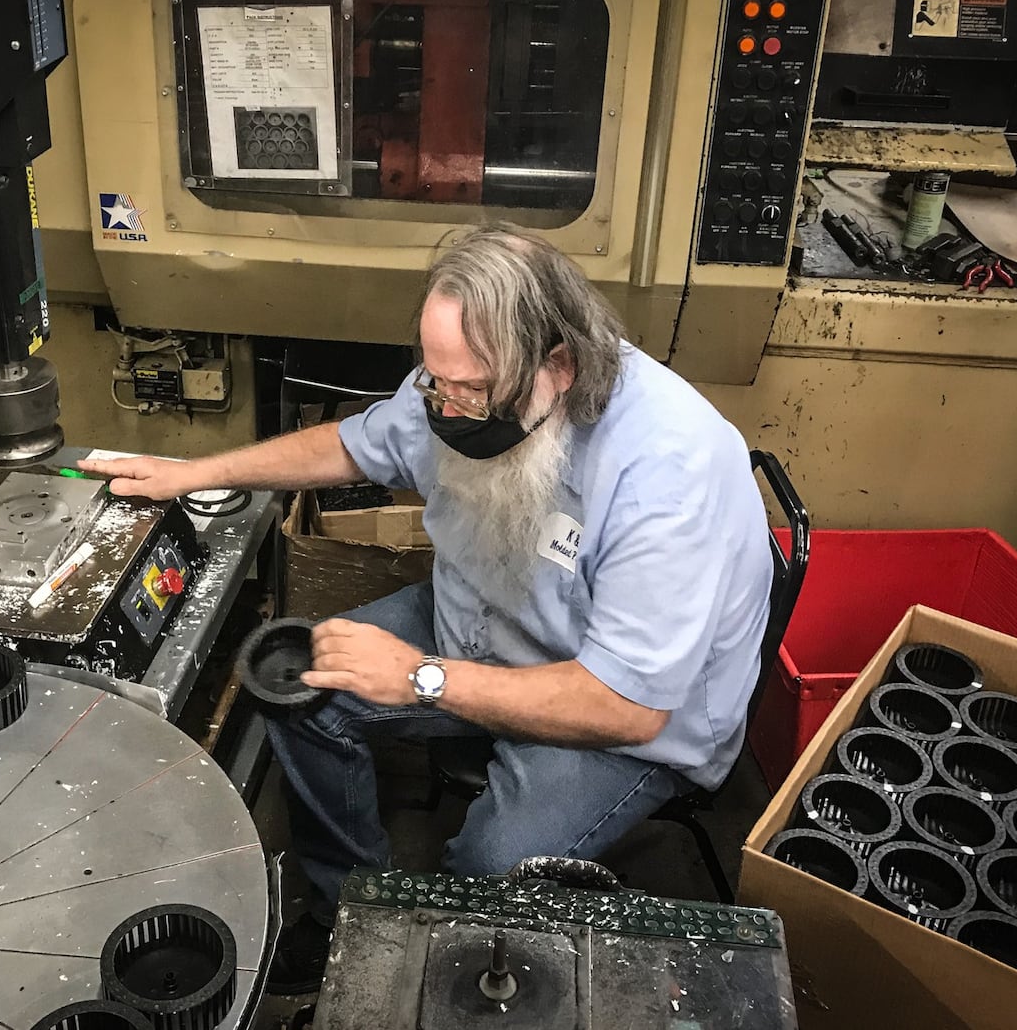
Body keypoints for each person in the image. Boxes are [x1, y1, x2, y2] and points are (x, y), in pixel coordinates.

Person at [80, 223, 774, 994]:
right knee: (296, 679)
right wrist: (194, 473)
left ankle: (424, 970)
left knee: (483, 867)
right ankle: (350, 910)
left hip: (618, 715)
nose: (446, 408)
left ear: (559, 365)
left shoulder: (664, 470)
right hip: (490, 619)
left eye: (472, 390)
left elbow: (628, 707)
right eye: (436, 381)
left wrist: (422, 678)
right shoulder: (460, 388)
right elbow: (348, 446)